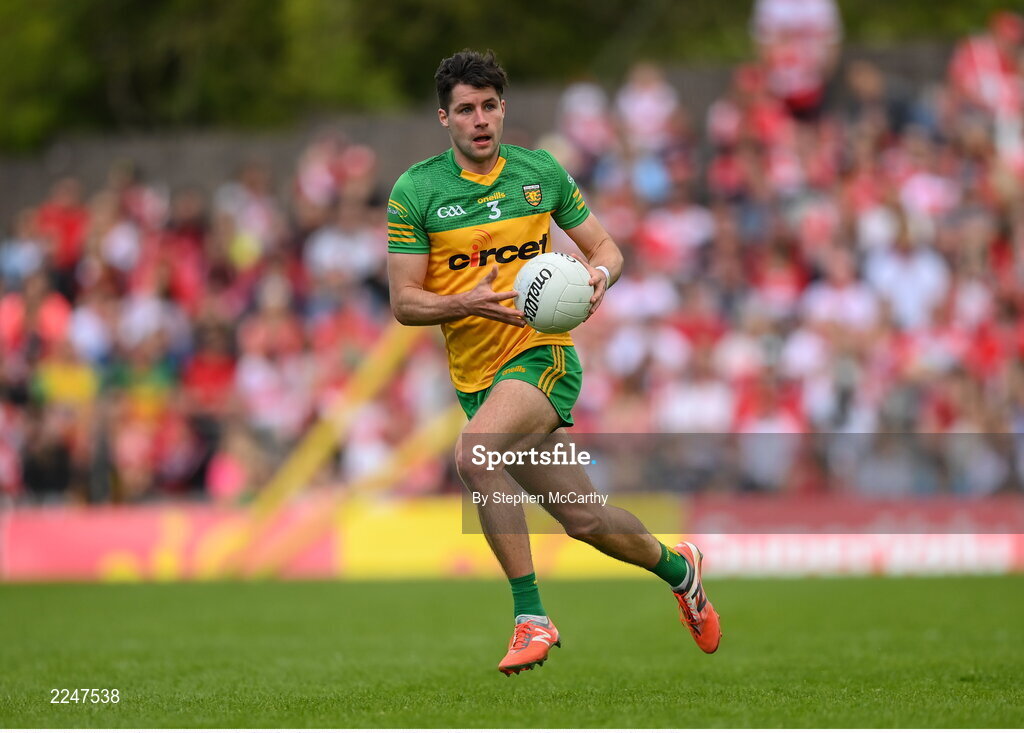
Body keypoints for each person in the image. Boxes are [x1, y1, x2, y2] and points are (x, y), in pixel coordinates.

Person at [386, 49, 721, 675]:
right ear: (444, 118)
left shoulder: (540, 172)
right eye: (466, 110)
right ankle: (682, 569)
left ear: (503, 109)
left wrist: (597, 278)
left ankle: (531, 617)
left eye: (489, 107)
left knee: (474, 454)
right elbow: (405, 302)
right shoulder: (417, 191)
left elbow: (608, 249)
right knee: (585, 519)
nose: (480, 120)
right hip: (479, 380)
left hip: (543, 359)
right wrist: (469, 302)